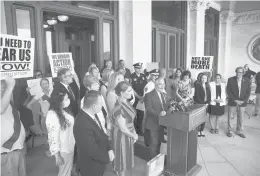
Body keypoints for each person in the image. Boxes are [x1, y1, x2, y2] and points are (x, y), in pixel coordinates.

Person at [74, 90, 115, 176]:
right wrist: (107, 158)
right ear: (94, 106)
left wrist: (109, 148)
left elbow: (102, 133)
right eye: (101, 104)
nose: (102, 106)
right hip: (91, 166)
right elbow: (91, 149)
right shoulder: (82, 123)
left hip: (97, 162)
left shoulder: (93, 114)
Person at [45, 89, 75, 176]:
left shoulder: (63, 110)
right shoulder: (52, 115)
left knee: (67, 171)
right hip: (62, 150)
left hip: (69, 146)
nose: (68, 100)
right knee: (64, 173)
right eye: (66, 99)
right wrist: (57, 154)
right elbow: (52, 136)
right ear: (59, 101)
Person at [1, 77, 26, 176]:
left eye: (4, 86)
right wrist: (10, 87)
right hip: (6, 153)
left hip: (16, 149)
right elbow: (1, 109)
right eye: (1, 86)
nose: (3, 88)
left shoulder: (5, 100)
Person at [112, 81, 138, 176]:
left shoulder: (125, 102)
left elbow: (130, 120)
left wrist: (133, 131)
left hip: (128, 133)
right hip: (121, 136)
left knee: (126, 157)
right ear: (122, 93)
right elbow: (123, 128)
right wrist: (133, 135)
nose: (131, 93)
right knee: (121, 160)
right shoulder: (119, 107)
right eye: (129, 91)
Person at [144, 78, 168, 159]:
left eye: (163, 84)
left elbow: (166, 107)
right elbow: (149, 109)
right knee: (153, 145)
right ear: (155, 85)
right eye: (160, 84)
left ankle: (157, 162)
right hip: (152, 124)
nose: (162, 86)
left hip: (161, 125)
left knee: (159, 144)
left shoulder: (164, 94)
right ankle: (152, 165)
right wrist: (159, 114)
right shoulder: (149, 95)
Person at [226, 67, 251, 138]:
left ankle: (239, 131)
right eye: (237, 72)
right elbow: (228, 91)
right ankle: (230, 131)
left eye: (240, 72)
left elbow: (248, 92)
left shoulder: (247, 80)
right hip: (233, 101)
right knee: (230, 117)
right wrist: (235, 100)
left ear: (243, 73)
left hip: (242, 102)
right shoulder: (230, 79)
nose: (238, 73)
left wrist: (244, 100)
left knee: (241, 117)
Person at [130, 62, 147, 135]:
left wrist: (143, 96)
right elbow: (131, 89)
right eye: (138, 68)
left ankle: (139, 129)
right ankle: (134, 130)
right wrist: (139, 97)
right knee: (133, 115)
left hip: (142, 99)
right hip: (134, 99)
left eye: (141, 68)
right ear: (134, 68)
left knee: (141, 115)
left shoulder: (143, 76)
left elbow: (146, 87)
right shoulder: (131, 76)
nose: (140, 69)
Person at [194, 73, 211, 137]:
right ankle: (198, 130)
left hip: (206, 104)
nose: (204, 79)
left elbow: (209, 96)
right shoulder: (198, 85)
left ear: (207, 79)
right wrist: (202, 104)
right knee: (199, 118)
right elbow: (197, 96)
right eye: (202, 78)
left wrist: (207, 103)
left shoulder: (208, 85)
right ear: (200, 79)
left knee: (203, 118)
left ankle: (202, 130)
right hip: (199, 104)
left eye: (205, 78)